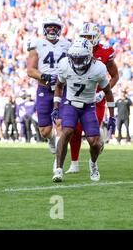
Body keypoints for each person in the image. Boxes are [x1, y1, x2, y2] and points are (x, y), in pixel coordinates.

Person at [52, 38, 116, 182]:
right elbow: (59, 86)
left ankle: (93, 164)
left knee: (94, 142)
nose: (77, 61)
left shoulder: (98, 68)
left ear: (89, 56)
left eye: (80, 58)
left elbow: (108, 92)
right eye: (74, 57)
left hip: (88, 106)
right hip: (70, 104)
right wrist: (56, 106)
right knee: (66, 131)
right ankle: (59, 169)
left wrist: (112, 116)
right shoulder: (65, 65)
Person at [66, 23, 119, 173]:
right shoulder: (76, 49)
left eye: (89, 37)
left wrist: (103, 92)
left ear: (96, 37)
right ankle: (74, 163)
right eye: (84, 37)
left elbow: (115, 76)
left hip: (96, 99)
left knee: (93, 137)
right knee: (75, 131)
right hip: (80, 97)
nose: (87, 40)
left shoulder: (105, 52)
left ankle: (93, 158)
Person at [27, 16, 71, 153]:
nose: (52, 29)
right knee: (44, 131)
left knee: (60, 124)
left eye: (55, 26)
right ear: (44, 28)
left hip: (62, 89)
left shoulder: (67, 45)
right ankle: (51, 139)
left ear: (60, 29)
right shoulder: (36, 45)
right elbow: (30, 70)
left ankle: (58, 163)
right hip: (44, 88)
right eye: (49, 26)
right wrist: (45, 76)